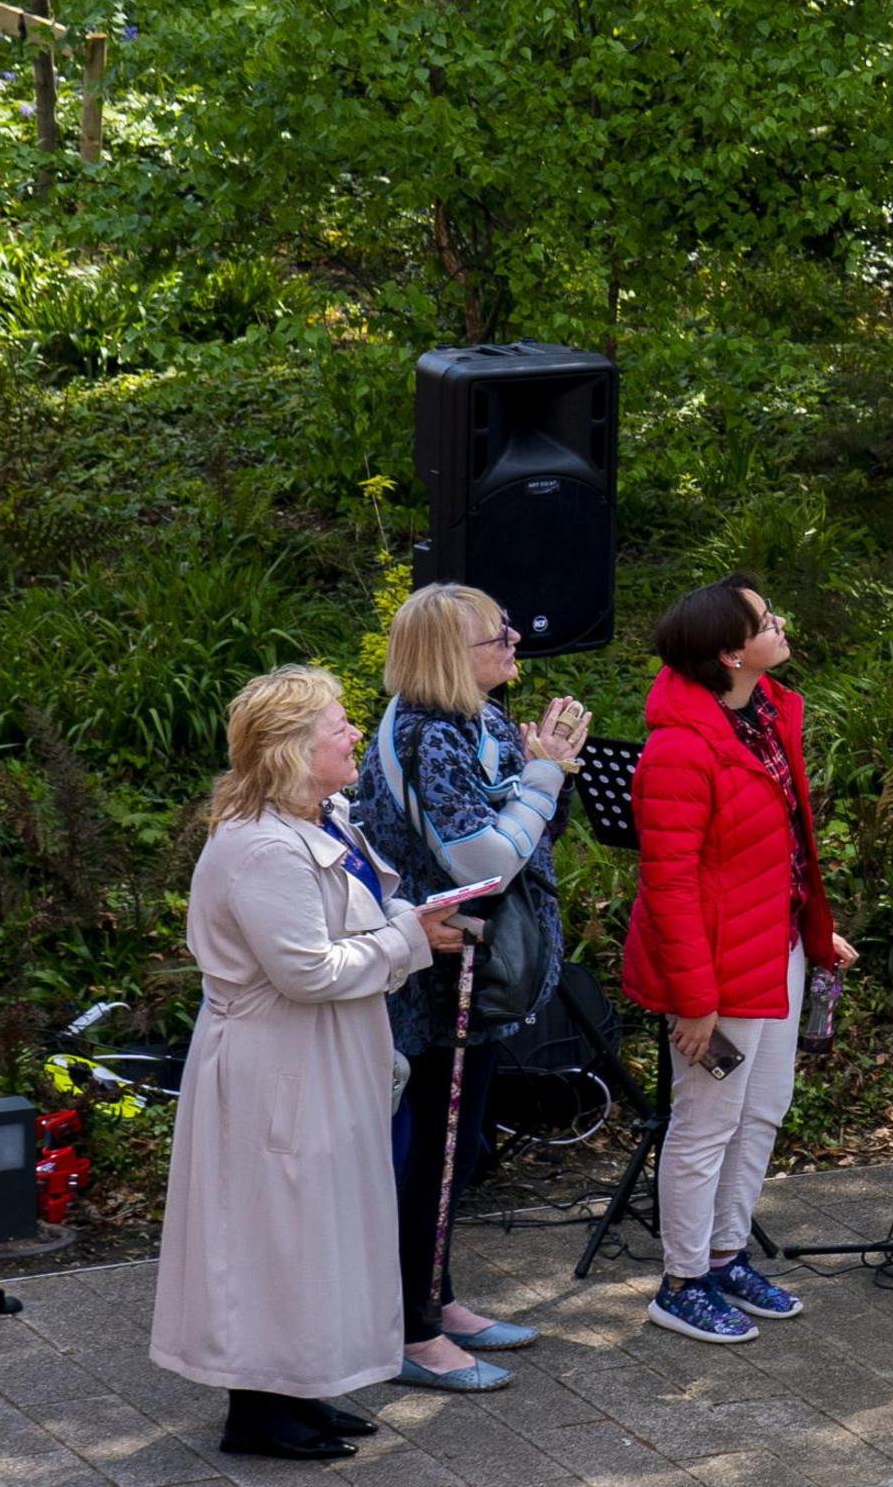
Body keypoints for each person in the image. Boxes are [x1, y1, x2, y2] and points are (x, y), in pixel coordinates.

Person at [152, 665, 477, 1463]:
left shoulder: (325, 817)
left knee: (318, 1226)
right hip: (275, 1067)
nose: (355, 734)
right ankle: (259, 1413)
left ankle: (300, 1389)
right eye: (339, 725)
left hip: (321, 1054)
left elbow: (367, 906)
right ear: (294, 748)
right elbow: (309, 971)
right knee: (272, 1231)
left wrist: (412, 923)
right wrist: (410, 943)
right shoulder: (262, 847)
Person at [623, 576, 858, 1344]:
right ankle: (681, 1280)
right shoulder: (679, 750)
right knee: (705, 1124)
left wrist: (816, 936)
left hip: (775, 952)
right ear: (730, 652)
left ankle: (725, 1256)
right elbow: (670, 885)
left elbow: (784, 849)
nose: (780, 622)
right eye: (766, 619)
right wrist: (695, 1001)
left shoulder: (766, 716)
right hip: (717, 977)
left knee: (761, 1112)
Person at [359, 584, 582, 1391]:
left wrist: (541, 775)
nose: (517, 639)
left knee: (459, 1149)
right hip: (435, 980)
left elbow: (529, 835)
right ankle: (411, 1332)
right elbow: (481, 860)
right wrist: (545, 777)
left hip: (480, 977)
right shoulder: (426, 734)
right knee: (433, 1150)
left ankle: (437, 1296)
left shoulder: (479, 721)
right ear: (455, 655)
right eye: (501, 632)